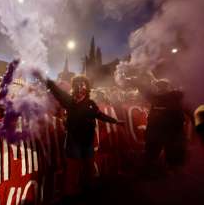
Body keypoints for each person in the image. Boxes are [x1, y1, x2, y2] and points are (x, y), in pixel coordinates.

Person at [34, 72, 124, 204]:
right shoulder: (69, 101)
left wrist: (115, 121)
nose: (79, 88)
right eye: (77, 85)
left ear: (86, 88)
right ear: (74, 87)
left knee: (88, 169)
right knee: (72, 171)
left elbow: (100, 116)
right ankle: (70, 196)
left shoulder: (91, 103)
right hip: (73, 142)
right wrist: (43, 77)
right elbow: (55, 89)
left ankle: (88, 191)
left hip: (88, 143)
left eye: (82, 85)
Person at [129, 76, 187, 176]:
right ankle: (156, 169)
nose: (160, 88)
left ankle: (171, 170)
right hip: (157, 132)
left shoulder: (170, 98)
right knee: (153, 152)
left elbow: (180, 118)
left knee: (170, 152)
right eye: (159, 86)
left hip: (169, 132)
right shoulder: (159, 98)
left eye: (162, 86)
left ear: (168, 87)